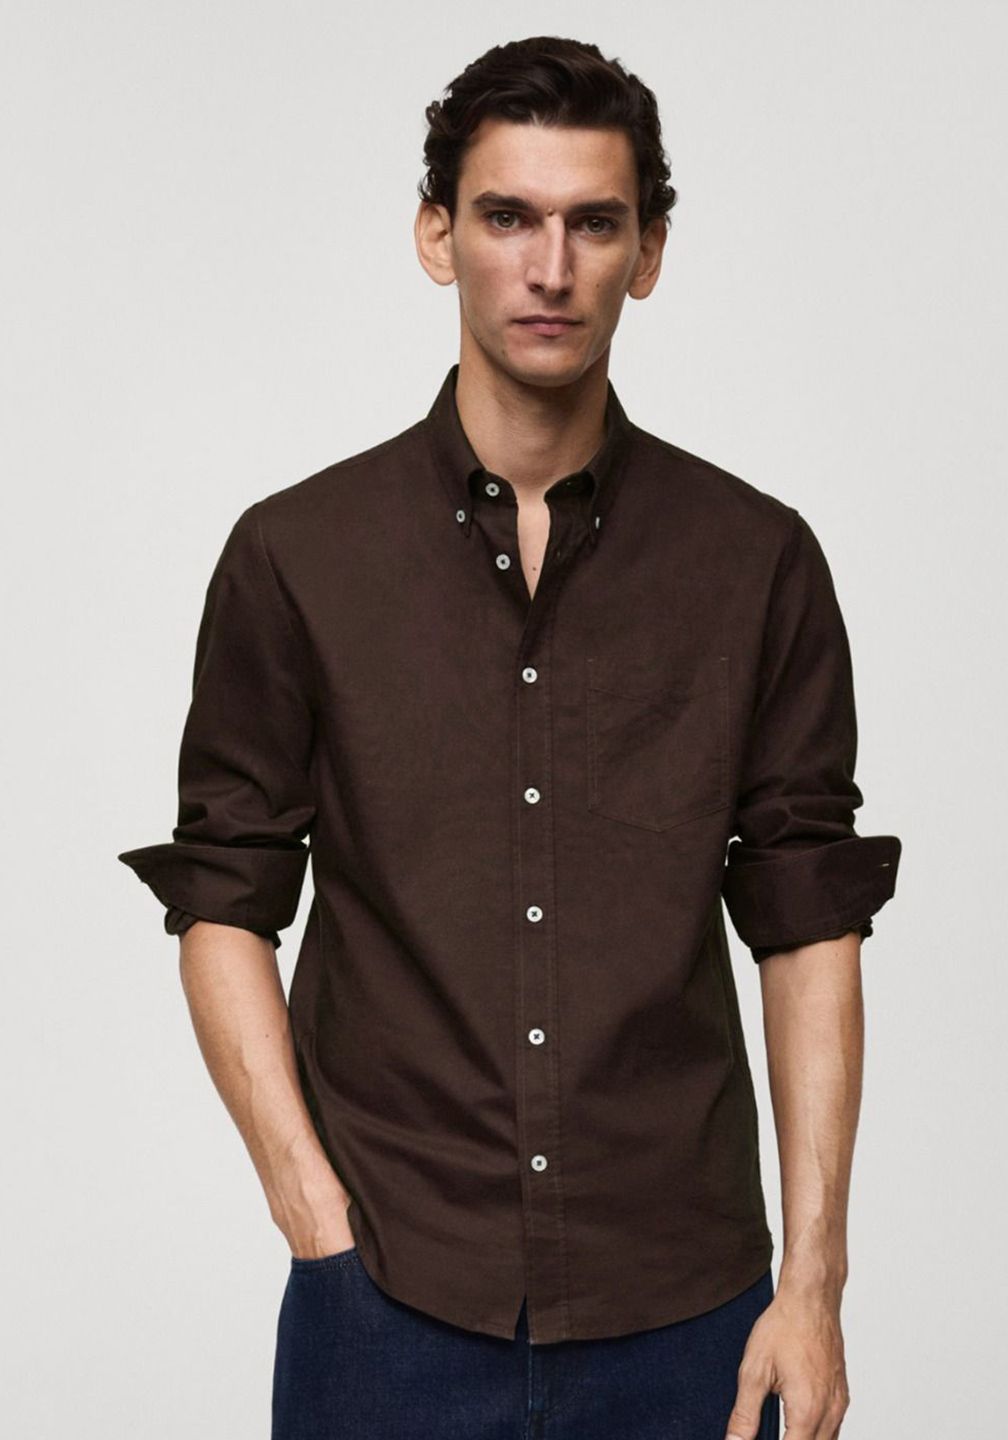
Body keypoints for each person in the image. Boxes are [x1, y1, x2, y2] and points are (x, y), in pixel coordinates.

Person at [117, 34, 901, 1440]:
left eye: (594, 223)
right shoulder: (300, 557)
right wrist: (312, 1215)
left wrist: (816, 1282)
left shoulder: (754, 562)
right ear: (438, 237)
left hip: (692, 1313)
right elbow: (224, 898)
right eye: (507, 217)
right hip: (390, 1304)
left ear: (648, 253)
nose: (551, 267)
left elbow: (808, 924)